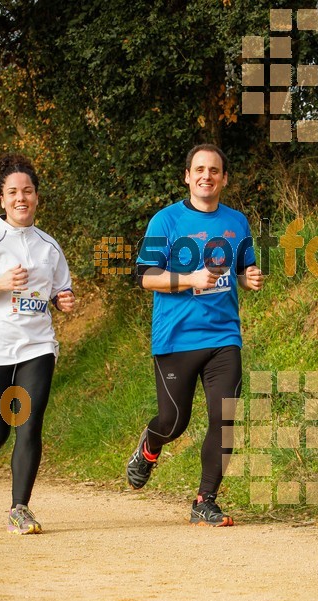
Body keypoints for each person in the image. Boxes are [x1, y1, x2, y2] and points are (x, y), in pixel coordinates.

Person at [127, 144, 264, 526]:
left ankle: (205, 500)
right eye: (199, 169)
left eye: (214, 170)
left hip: (223, 336)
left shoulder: (237, 222)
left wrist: (247, 277)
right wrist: (189, 278)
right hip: (176, 337)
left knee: (225, 417)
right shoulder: (165, 221)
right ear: (187, 176)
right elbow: (144, 276)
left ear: (223, 178)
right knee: (174, 422)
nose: (207, 175)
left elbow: (240, 268)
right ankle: (150, 447)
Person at [0, 154, 75, 534]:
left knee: (29, 424)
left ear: (37, 196)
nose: (21, 198)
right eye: (13, 192)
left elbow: (59, 288)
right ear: (2, 200)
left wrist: (63, 300)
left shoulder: (49, 246)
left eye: (28, 191)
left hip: (37, 345)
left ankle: (19, 508)